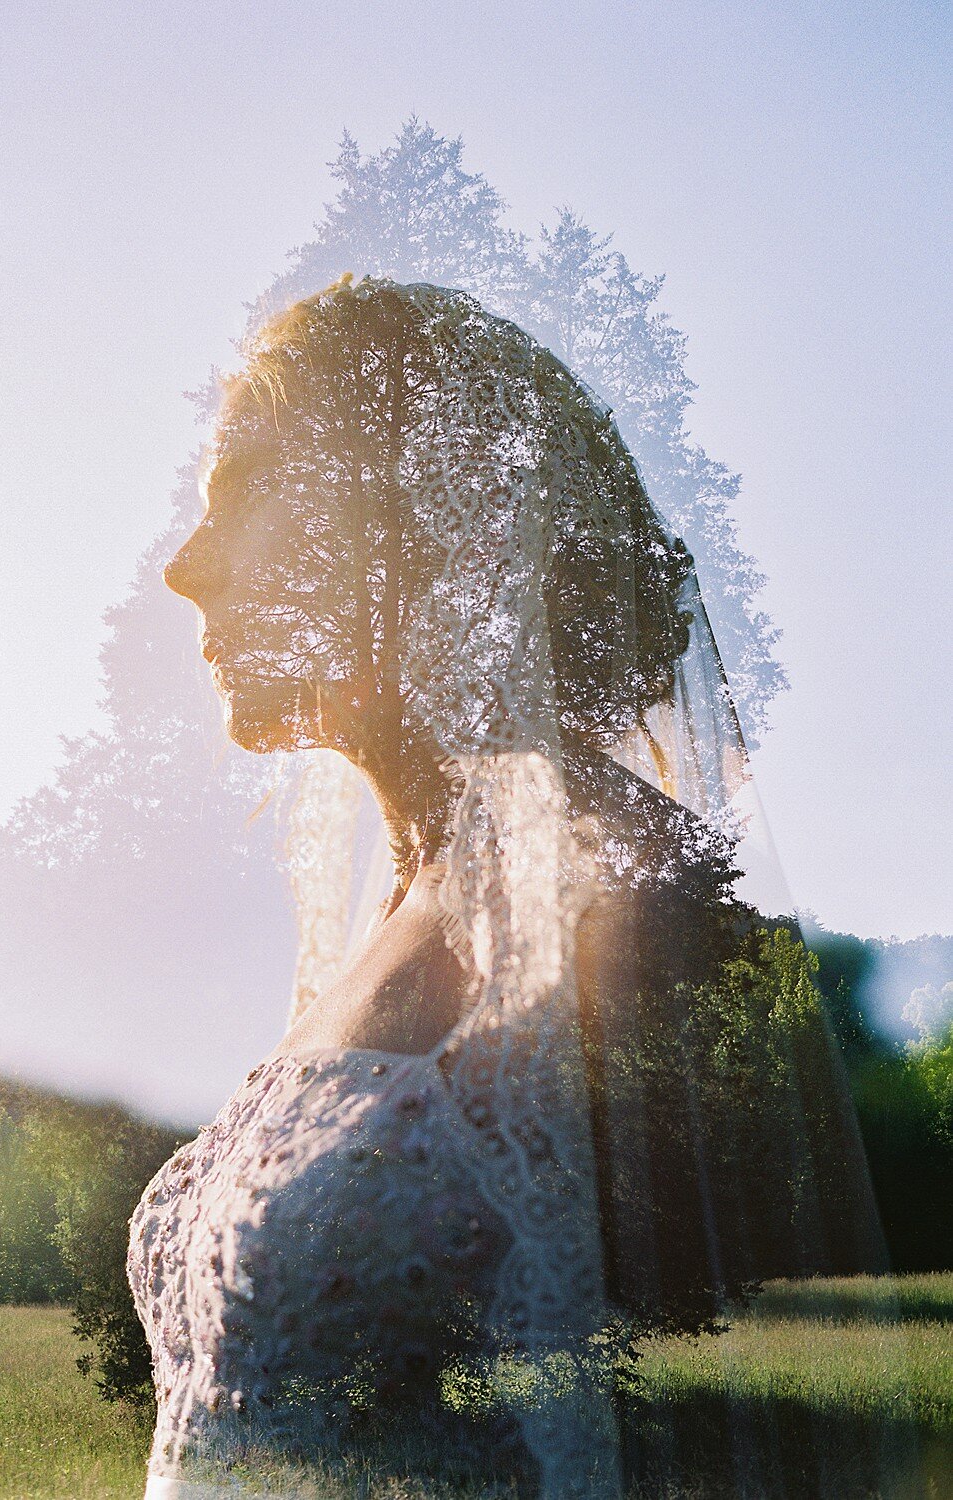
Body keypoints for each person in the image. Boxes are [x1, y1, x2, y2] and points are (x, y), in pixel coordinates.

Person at [128, 279, 875, 1498]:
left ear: (407, 524)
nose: (185, 568)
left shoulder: (593, 896)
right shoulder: (390, 904)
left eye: (248, 489)